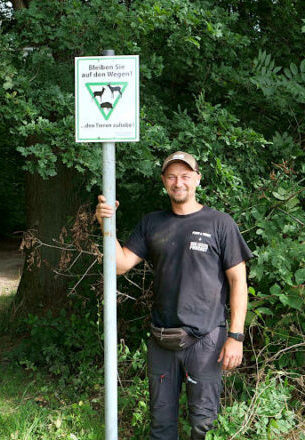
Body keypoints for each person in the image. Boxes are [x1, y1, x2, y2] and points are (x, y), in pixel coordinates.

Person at [95, 151, 253, 440]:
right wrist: (107, 224)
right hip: (162, 340)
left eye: (185, 175)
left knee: (204, 424)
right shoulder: (152, 223)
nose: (178, 182)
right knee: (161, 425)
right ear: (164, 181)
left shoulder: (220, 224)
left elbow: (238, 282)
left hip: (206, 342)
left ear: (197, 179)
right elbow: (120, 264)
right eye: (171, 176)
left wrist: (236, 336)